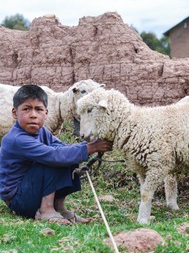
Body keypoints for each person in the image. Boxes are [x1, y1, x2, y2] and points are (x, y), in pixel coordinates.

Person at [0, 84, 113, 225]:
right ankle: (46, 210)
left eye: (38, 109)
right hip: (19, 200)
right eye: (26, 109)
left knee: (68, 154)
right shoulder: (17, 139)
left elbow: (63, 148)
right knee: (54, 157)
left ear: (46, 113)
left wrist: (86, 147)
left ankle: (58, 207)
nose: (33, 115)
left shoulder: (42, 132)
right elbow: (53, 155)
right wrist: (91, 147)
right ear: (15, 113)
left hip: (32, 192)